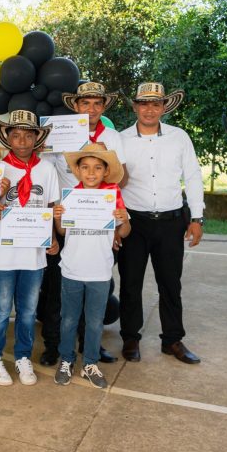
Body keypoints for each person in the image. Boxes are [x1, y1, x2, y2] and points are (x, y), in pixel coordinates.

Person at [38, 81, 126, 366]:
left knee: (98, 287)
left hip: (99, 222)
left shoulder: (112, 136)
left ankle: (91, 346)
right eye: (85, 103)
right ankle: (55, 345)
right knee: (57, 288)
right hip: (66, 216)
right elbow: (45, 170)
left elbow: (119, 178)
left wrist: (113, 222)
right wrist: (53, 219)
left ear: (103, 106)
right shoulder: (58, 131)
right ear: (75, 105)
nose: (91, 108)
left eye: (97, 103)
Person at [118, 82, 205, 364]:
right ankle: (130, 338)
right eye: (144, 104)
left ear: (164, 107)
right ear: (135, 107)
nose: (149, 109)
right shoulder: (120, 140)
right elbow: (112, 183)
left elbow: (192, 177)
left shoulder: (180, 138)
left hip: (171, 222)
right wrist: (114, 224)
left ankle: (172, 340)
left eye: (156, 104)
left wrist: (196, 217)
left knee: (170, 283)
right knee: (130, 283)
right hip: (134, 222)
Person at [0, 110, 60, 387]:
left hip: (34, 255)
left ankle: (22, 356)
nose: (22, 140)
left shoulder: (47, 169)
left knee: (28, 311)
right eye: (16, 135)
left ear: (37, 138)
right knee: (1, 309)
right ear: (7, 138)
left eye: (28, 135)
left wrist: (52, 237)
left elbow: (50, 207)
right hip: (5, 254)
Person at [53, 144, 131, 389]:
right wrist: (58, 217)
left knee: (95, 321)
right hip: (72, 269)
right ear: (77, 170)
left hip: (100, 271)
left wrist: (123, 219)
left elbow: (125, 232)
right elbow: (63, 231)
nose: (91, 173)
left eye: (98, 168)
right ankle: (66, 360)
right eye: (85, 167)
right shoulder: (70, 197)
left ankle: (89, 363)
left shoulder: (113, 197)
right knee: (69, 319)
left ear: (106, 171)